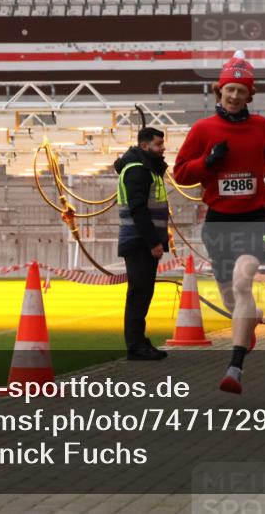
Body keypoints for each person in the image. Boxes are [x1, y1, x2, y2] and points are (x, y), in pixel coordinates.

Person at [173, 49, 265, 394]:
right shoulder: (203, 129)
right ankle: (248, 321)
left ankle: (234, 368)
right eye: (230, 90)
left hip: (254, 218)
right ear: (219, 91)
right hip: (218, 220)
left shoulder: (261, 125)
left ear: (250, 94)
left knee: (242, 282)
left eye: (242, 90)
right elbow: (181, 173)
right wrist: (208, 162)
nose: (235, 96)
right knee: (229, 296)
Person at [114, 126, 169, 361]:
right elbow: (139, 209)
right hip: (140, 242)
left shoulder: (146, 168)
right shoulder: (138, 170)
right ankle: (136, 345)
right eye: (158, 144)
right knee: (139, 293)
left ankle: (139, 341)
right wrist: (153, 242)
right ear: (144, 146)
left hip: (141, 240)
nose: (162, 148)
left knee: (143, 292)